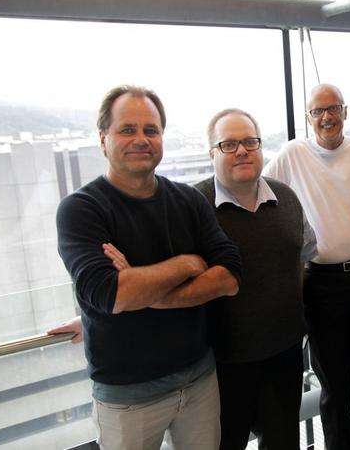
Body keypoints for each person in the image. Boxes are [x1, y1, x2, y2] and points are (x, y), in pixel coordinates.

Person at [54, 85, 241, 450]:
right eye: (128, 129)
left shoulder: (187, 200)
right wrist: (188, 263)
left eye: (150, 130)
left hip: (199, 380)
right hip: (127, 397)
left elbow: (231, 276)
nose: (141, 139)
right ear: (103, 139)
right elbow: (112, 295)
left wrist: (145, 289)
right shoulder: (81, 209)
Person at [263, 83, 350, 450]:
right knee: (334, 386)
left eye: (333, 108)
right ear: (308, 118)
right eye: (317, 111)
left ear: (345, 111)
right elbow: (260, 193)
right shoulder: (293, 154)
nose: (326, 117)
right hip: (319, 285)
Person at [195, 108, 317, 449]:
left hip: (285, 353)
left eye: (250, 141)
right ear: (212, 153)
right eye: (229, 143)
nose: (242, 150)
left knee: (282, 443)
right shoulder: (194, 205)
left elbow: (305, 255)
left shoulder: (287, 198)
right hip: (221, 364)